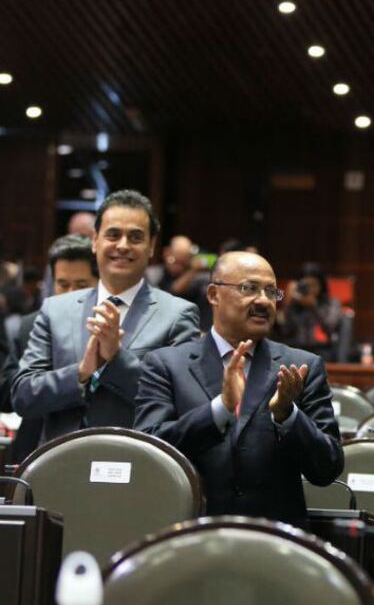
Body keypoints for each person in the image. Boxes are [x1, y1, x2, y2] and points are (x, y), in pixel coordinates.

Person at [134, 252, 344, 527]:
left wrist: (287, 415)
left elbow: (327, 468)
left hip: (272, 542)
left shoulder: (302, 367)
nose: (263, 301)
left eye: (271, 292)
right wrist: (219, 409)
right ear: (213, 294)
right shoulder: (165, 364)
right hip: (188, 534)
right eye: (249, 288)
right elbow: (149, 453)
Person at [12, 190, 201, 445]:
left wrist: (117, 359)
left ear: (152, 246)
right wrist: (81, 372)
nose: (123, 245)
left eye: (135, 237)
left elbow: (178, 405)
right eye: (113, 235)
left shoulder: (178, 315)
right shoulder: (55, 310)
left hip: (136, 466)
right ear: (94, 241)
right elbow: (23, 397)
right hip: (59, 467)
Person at [0, 236, 96, 461]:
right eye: (63, 284)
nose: (71, 292)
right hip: (34, 448)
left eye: (82, 285)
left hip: (91, 445)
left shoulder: (109, 328)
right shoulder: (31, 325)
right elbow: (7, 394)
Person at [277, 262, 343, 361]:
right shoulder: (294, 303)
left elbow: (330, 327)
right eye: (306, 285)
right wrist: (288, 303)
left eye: (313, 285)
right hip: (295, 351)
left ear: (321, 286)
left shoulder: (332, 303)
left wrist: (314, 307)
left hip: (322, 351)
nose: (310, 290)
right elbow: (284, 330)